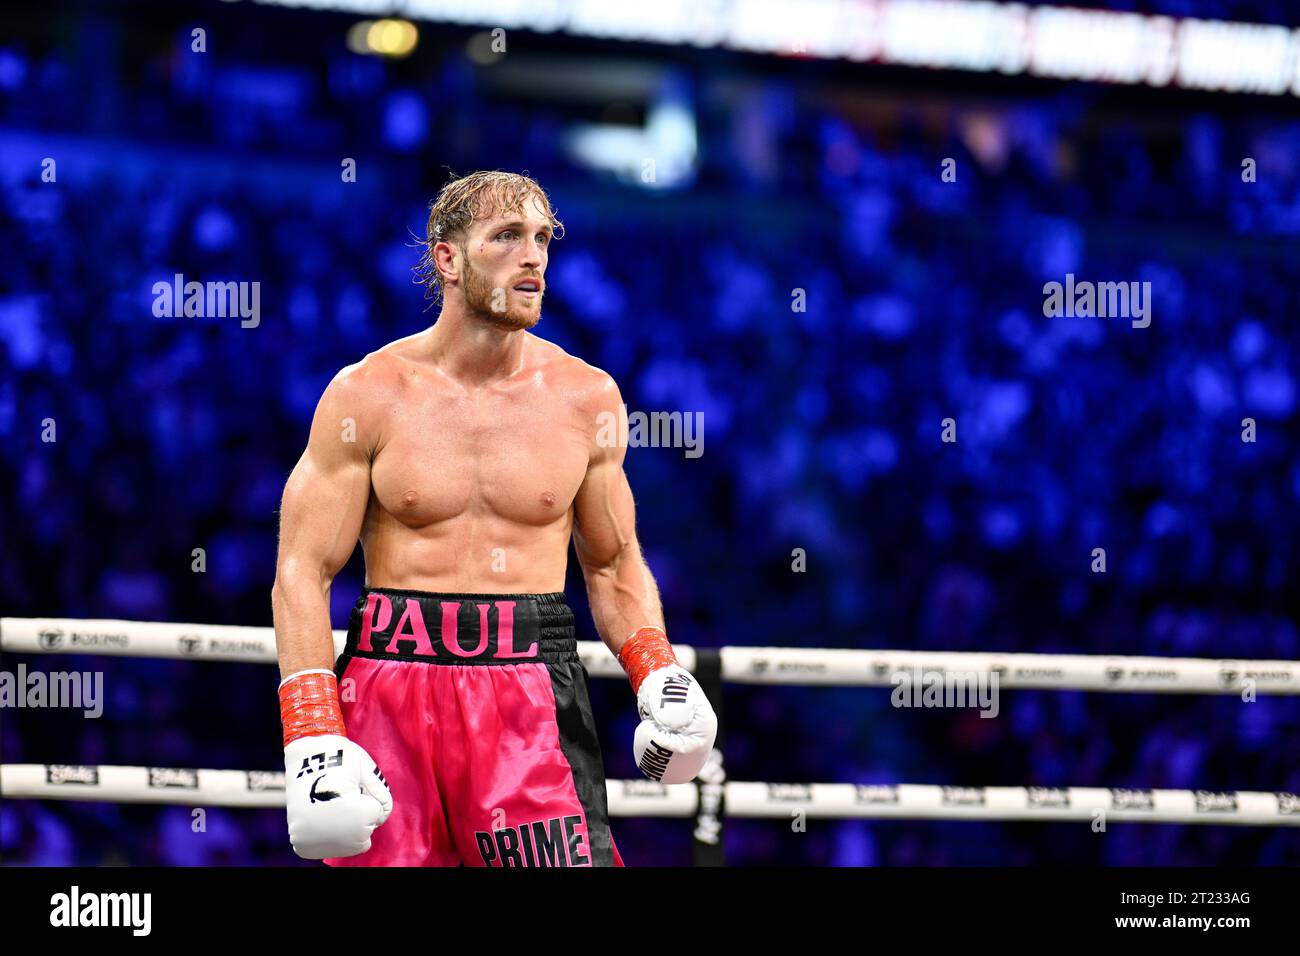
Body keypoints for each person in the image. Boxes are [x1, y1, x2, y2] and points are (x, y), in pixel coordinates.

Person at [270, 170, 717, 867]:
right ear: (447, 258)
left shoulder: (585, 397)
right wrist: (311, 736)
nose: (533, 255)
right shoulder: (368, 394)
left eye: (542, 238)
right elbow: (301, 568)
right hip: (388, 686)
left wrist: (657, 671)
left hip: (528, 693)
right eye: (507, 236)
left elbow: (611, 559)